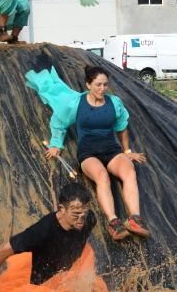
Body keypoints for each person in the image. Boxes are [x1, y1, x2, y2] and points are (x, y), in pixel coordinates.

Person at [25, 65, 150, 241]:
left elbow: (122, 126)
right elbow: (58, 121)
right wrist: (56, 144)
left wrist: (127, 151)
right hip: (88, 153)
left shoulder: (114, 102)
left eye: (105, 85)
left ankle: (135, 219)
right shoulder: (76, 104)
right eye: (98, 85)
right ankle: (114, 223)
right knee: (102, 176)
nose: (102, 89)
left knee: (129, 171)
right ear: (88, 85)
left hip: (111, 150)